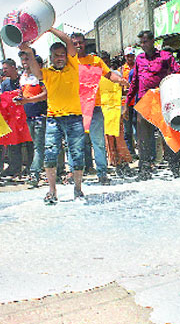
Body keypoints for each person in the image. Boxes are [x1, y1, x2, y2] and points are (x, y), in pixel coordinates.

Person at [19, 27, 85, 205]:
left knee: (77, 154)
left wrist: (49, 29)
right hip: (53, 119)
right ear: (51, 57)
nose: (60, 57)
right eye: (56, 55)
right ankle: (52, 191)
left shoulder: (73, 67)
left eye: (62, 54)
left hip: (75, 117)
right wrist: (28, 52)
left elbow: (69, 43)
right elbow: (35, 70)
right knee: (50, 154)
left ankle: (78, 190)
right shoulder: (46, 73)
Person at [124, 30, 180, 180]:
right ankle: (144, 170)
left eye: (146, 41)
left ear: (152, 41)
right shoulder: (139, 59)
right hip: (144, 102)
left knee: (168, 134)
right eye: (141, 43)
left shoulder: (165, 56)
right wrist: (127, 104)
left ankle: (174, 167)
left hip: (163, 100)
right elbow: (134, 83)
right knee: (143, 137)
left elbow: (178, 71)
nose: (143, 45)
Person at [70, 33, 128, 185]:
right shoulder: (69, 62)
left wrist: (121, 80)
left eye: (80, 43)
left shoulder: (95, 61)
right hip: (76, 110)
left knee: (99, 143)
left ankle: (102, 173)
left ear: (85, 44)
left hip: (94, 108)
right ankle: (74, 174)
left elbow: (109, 75)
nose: (78, 45)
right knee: (76, 143)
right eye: (74, 43)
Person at [14, 49, 48, 187]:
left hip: (41, 115)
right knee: (37, 146)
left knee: (39, 147)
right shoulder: (23, 77)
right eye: (22, 59)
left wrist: (27, 101)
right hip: (29, 116)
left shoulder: (39, 75)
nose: (24, 62)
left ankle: (35, 174)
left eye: (27, 58)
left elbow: (46, 94)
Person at [0, 58, 32, 177]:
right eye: (3, 69)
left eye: (6, 68)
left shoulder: (23, 80)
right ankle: (15, 167)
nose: (4, 71)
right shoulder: (5, 84)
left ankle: (29, 167)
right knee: (14, 144)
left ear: (13, 67)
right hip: (13, 117)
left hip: (25, 115)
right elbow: (3, 100)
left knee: (29, 143)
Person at [122, 46, 138, 157]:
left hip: (137, 102)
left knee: (138, 129)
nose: (130, 58)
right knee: (127, 130)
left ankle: (141, 151)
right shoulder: (121, 70)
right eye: (128, 56)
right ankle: (130, 152)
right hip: (126, 103)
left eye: (132, 56)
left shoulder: (139, 67)